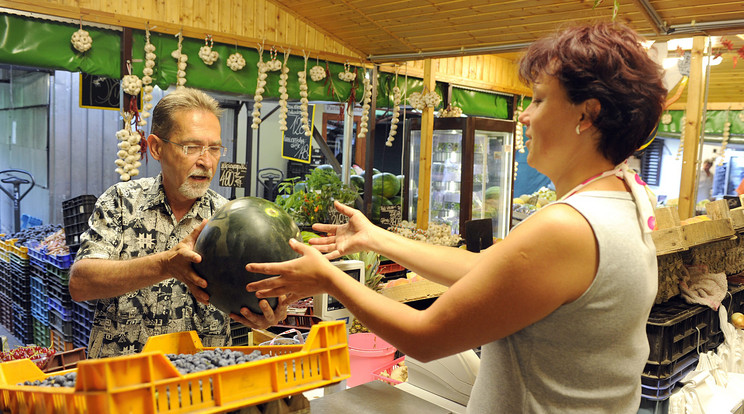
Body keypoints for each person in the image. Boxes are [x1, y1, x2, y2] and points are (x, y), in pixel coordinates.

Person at [244, 22, 665, 413]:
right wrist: (375, 238)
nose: (524, 115)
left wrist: (330, 278)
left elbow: (424, 338)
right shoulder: (628, 197)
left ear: (586, 115)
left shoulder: (566, 226)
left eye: (538, 99)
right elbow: (490, 271)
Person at [69, 88, 289, 358]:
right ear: (156, 147)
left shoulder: (229, 218)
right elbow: (80, 284)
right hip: (123, 383)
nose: (206, 161)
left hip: (201, 382)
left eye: (214, 148)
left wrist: (263, 314)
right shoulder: (120, 202)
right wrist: (166, 265)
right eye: (192, 147)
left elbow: (248, 297)